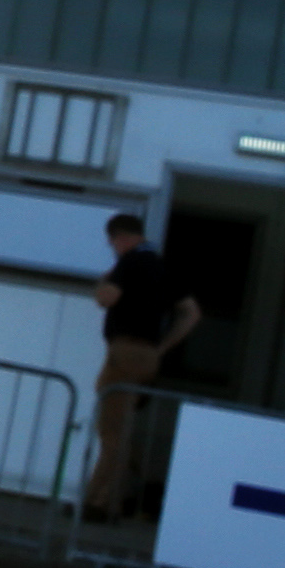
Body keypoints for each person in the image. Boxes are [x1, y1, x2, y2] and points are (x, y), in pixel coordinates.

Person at [83, 211, 199, 521]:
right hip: (148, 355)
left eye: (112, 244)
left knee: (111, 431)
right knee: (123, 429)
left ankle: (100, 502)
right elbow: (191, 313)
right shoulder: (163, 266)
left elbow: (106, 299)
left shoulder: (130, 262)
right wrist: (162, 347)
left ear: (120, 238)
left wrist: (103, 282)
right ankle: (131, 491)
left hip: (124, 352)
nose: (113, 249)